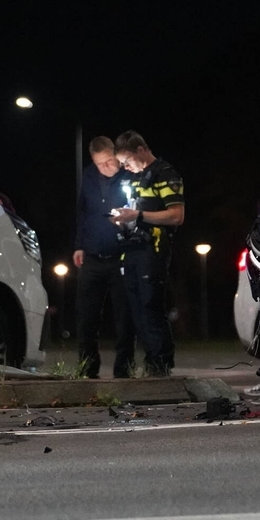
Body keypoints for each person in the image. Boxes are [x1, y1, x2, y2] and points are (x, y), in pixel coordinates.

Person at [109, 131, 184, 377]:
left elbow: (176, 215)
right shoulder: (139, 178)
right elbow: (138, 211)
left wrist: (138, 216)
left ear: (141, 150)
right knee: (136, 310)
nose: (125, 167)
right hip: (133, 250)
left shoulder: (165, 174)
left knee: (151, 307)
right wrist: (124, 218)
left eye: (127, 161)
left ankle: (161, 364)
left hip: (153, 251)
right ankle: (151, 362)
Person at [73, 136, 134, 378]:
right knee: (86, 315)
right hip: (93, 255)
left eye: (109, 161)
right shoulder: (88, 176)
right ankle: (88, 369)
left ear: (116, 155)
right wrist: (79, 245)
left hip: (121, 255)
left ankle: (123, 369)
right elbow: (83, 211)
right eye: (100, 164)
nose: (106, 168)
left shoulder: (129, 176)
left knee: (124, 316)